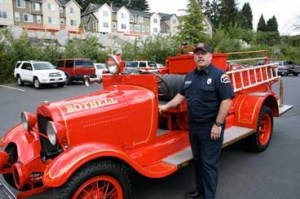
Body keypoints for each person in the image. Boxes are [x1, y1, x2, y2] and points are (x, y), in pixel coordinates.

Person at [158, 43, 234, 199]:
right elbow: (181, 95)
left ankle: (208, 196)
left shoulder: (219, 76)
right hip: (194, 126)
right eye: (197, 53)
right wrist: (166, 106)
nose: (200, 56)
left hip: (210, 126)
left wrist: (218, 125)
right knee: (198, 160)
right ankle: (200, 191)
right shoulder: (190, 75)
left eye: (203, 53)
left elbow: (226, 101)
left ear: (210, 56)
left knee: (209, 164)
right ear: (194, 56)